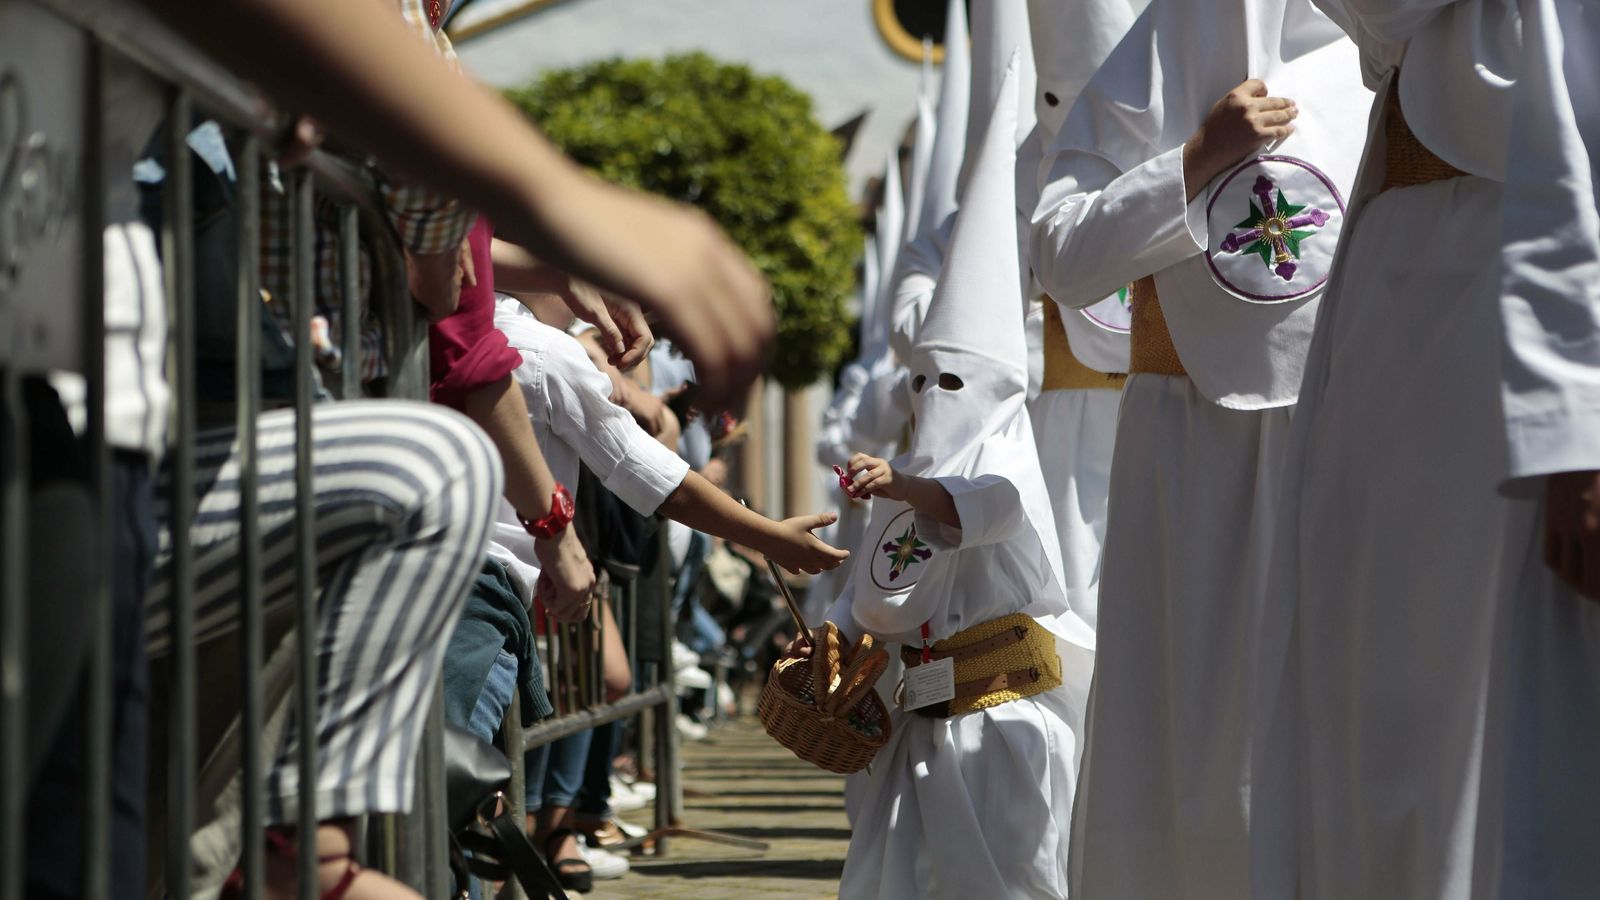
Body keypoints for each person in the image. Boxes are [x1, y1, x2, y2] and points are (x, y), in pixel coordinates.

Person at [1249, 0, 1600, 896]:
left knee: (1484, 734)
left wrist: (1581, 415)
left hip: (1500, 327)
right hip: (1394, 323)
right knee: (1370, 723)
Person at [1029, 1, 1371, 896]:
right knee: (1193, 725)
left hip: (1353, 430)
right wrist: (1194, 160)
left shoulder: (1386, 45)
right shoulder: (1150, 61)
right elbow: (1060, 256)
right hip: (1189, 444)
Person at [821, 62, 1094, 899]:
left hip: (1000, 720)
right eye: (924, 382)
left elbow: (990, 510)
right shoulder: (909, 474)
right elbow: (875, 591)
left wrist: (904, 488)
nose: (936, 399)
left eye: (955, 383)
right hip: (918, 723)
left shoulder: (1007, 453)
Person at [1019, 0, 1135, 638]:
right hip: (1059, 423)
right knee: (1068, 590)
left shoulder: (1164, 142)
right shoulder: (1021, 172)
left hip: (1160, 397)